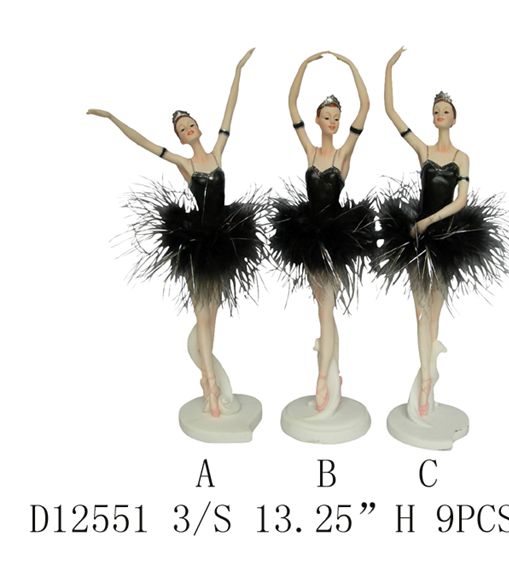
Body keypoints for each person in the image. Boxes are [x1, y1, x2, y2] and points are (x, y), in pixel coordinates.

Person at [87, 49, 264, 418]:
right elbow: (144, 143)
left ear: (198, 127)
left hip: (225, 236)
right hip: (199, 240)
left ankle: (209, 373)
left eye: (190, 124)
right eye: (183, 129)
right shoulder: (184, 162)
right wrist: (113, 118)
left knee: (213, 312)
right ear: (180, 138)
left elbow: (230, 111)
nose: (189, 130)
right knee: (202, 312)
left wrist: (237, 71)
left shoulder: (217, 153)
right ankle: (208, 383)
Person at [377, 47, 509, 417]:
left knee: (434, 311)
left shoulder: (461, 158)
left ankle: (428, 378)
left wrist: (429, 221)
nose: (440, 115)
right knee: (419, 311)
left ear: (454, 117)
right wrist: (389, 68)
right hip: (416, 238)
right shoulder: (423, 151)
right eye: (436, 111)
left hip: (444, 237)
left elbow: (461, 200)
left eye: (445, 111)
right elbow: (391, 112)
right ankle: (426, 376)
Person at [270, 51, 375, 412]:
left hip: (335, 236)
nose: (332, 122)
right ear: (318, 119)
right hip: (308, 233)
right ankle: (333, 370)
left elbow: (366, 107)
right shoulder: (311, 151)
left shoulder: (343, 154)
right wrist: (303, 65)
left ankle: (321, 377)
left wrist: (352, 65)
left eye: (336, 118)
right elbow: (291, 106)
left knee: (326, 308)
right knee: (322, 306)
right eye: (327, 117)